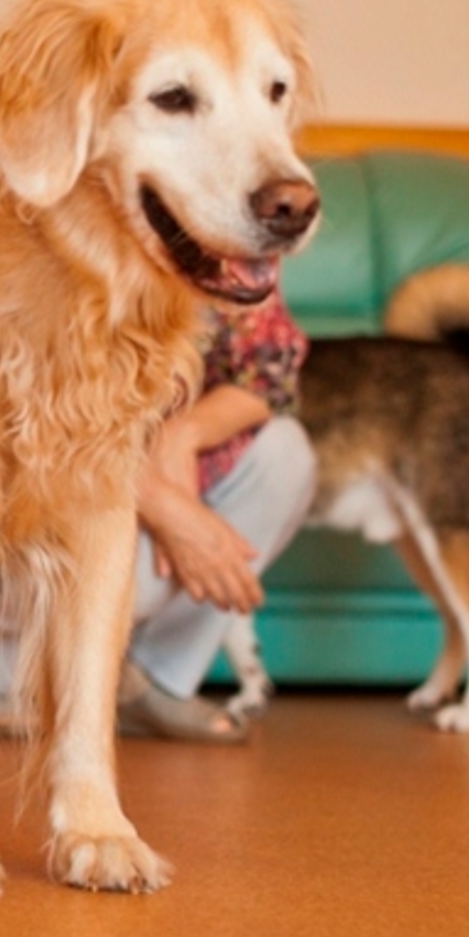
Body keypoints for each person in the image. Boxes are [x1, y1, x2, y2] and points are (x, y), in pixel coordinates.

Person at [118, 287, 317, 742]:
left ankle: (156, 679)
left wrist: (182, 435)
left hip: (164, 467)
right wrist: (158, 501)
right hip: (57, 491)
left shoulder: (231, 253)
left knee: (284, 452)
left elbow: (271, 375)